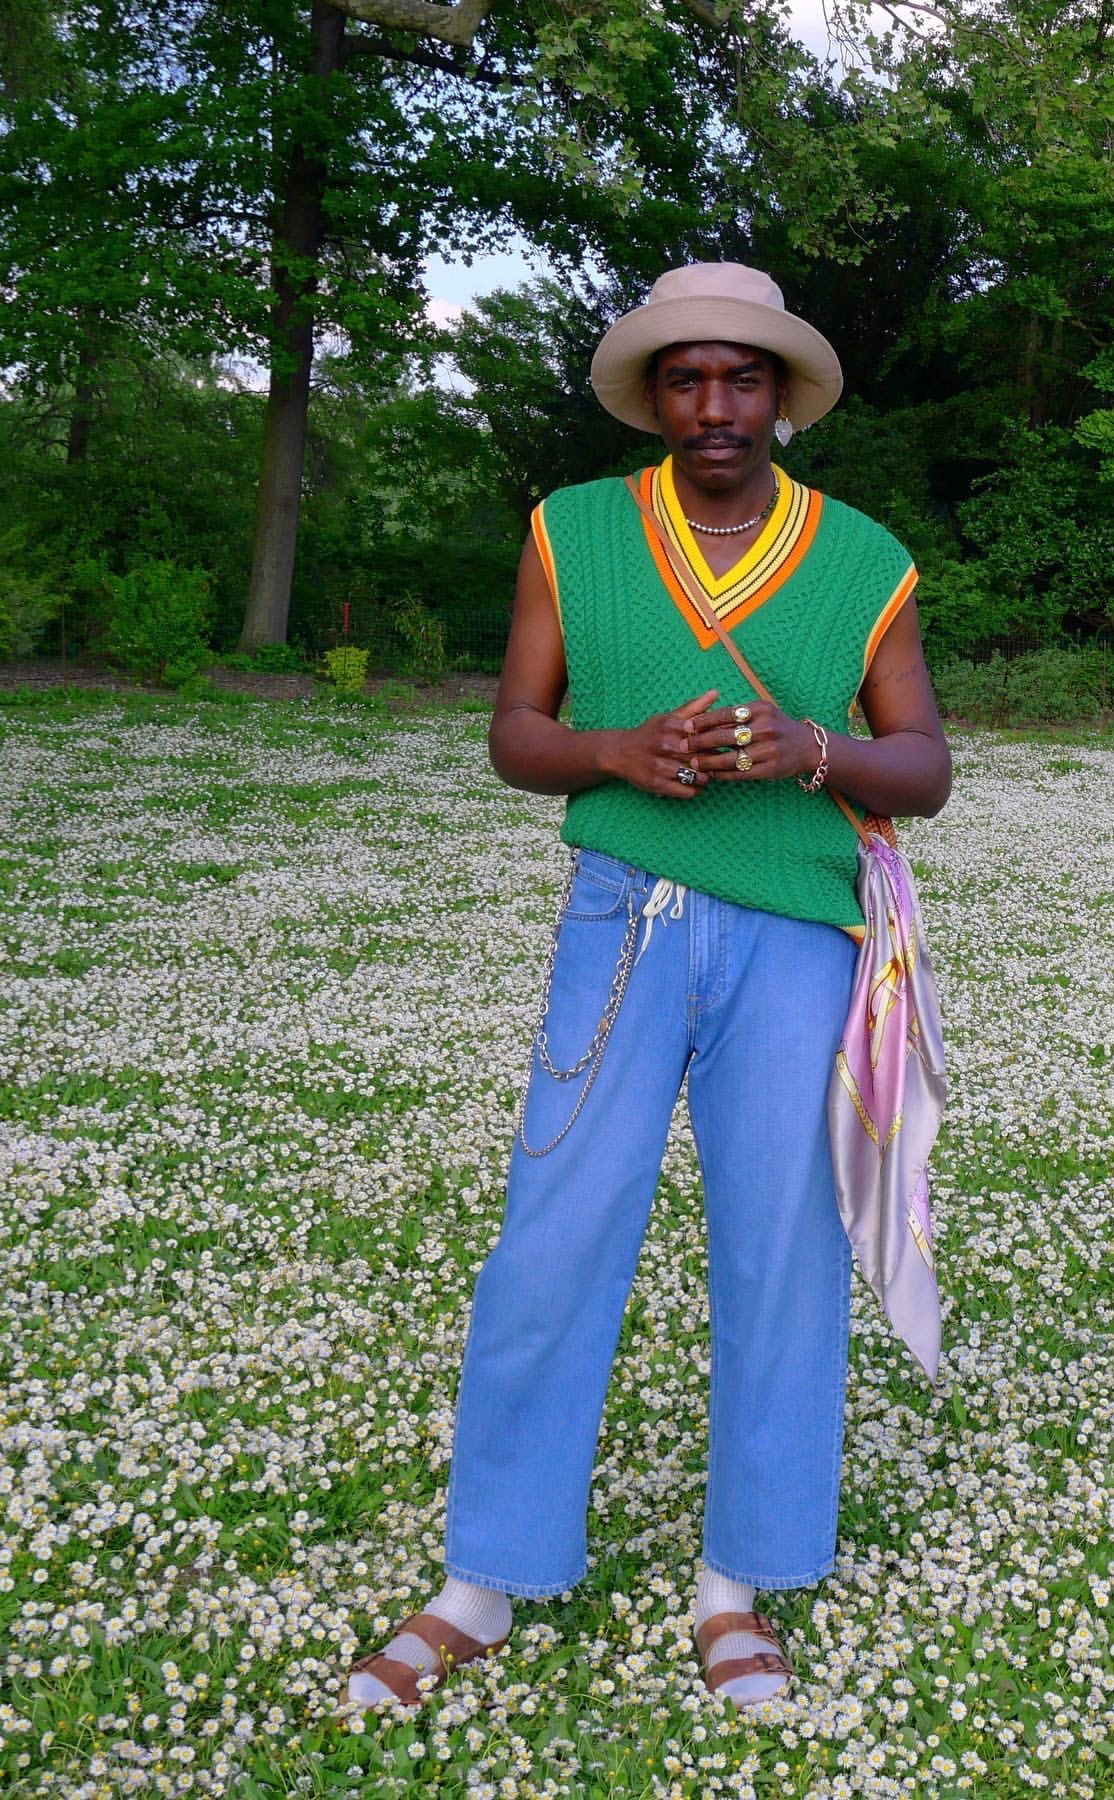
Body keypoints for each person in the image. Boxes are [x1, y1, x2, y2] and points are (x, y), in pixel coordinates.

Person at [344, 262, 951, 1713]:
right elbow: (516, 729)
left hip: (796, 933)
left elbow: (923, 767)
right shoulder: (575, 530)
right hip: (621, 920)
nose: (715, 404)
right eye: (688, 378)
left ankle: (738, 1581)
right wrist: (613, 750)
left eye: (743, 378)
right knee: (554, 1233)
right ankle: (484, 1575)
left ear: (783, 396)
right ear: (654, 395)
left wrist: (816, 750)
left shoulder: (862, 557)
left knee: (779, 1249)